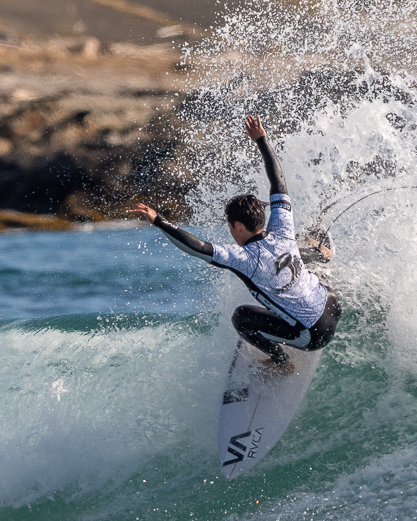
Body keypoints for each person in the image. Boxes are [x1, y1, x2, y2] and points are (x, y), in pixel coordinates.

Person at [129, 115, 341, 372]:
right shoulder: (282, 227)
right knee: (291, 252)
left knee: (241, 318)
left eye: (229, 226)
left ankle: (282, 364)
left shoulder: (242, 258)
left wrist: (159, 221)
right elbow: (278, 182)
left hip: (313, 335)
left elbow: (197, 247)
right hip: (332, 304)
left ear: (237, 226)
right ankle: (320, 254)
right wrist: (261, 140)